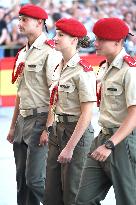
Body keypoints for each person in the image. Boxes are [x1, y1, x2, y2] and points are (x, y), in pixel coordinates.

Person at [75, 17, 136, 205]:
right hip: (102, 138)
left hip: (122, 142)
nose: (96, 43)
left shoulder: (130, 70)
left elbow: (134, 114)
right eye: (96, 38)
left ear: (117, 42)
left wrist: (110, 144)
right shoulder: (104, 67)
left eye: (101, 39)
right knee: (83, 200)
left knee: (128, 200)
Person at [7, 4, 61, 205]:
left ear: (40, 23)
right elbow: (20, 93)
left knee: (36, 180)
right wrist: (13, 126)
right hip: (23, 119)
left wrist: (48, 127)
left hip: (40, 120)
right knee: (22, 181)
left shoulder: (50, 51)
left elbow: (55, 94)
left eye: (24, 20)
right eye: (19, 19)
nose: (19, 24)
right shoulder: (22, 53)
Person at [43, 18, 97, 205]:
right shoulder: (59, 66)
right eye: (55, 33)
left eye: (60, 35)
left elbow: (87, 113)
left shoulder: (83, 71)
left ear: (74, 40)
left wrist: (70, 147)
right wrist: (48, 129)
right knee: (50, 193)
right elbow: (54, 101)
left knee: (72, 194)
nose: (55, 38)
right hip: (57, 130)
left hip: (76, 133)